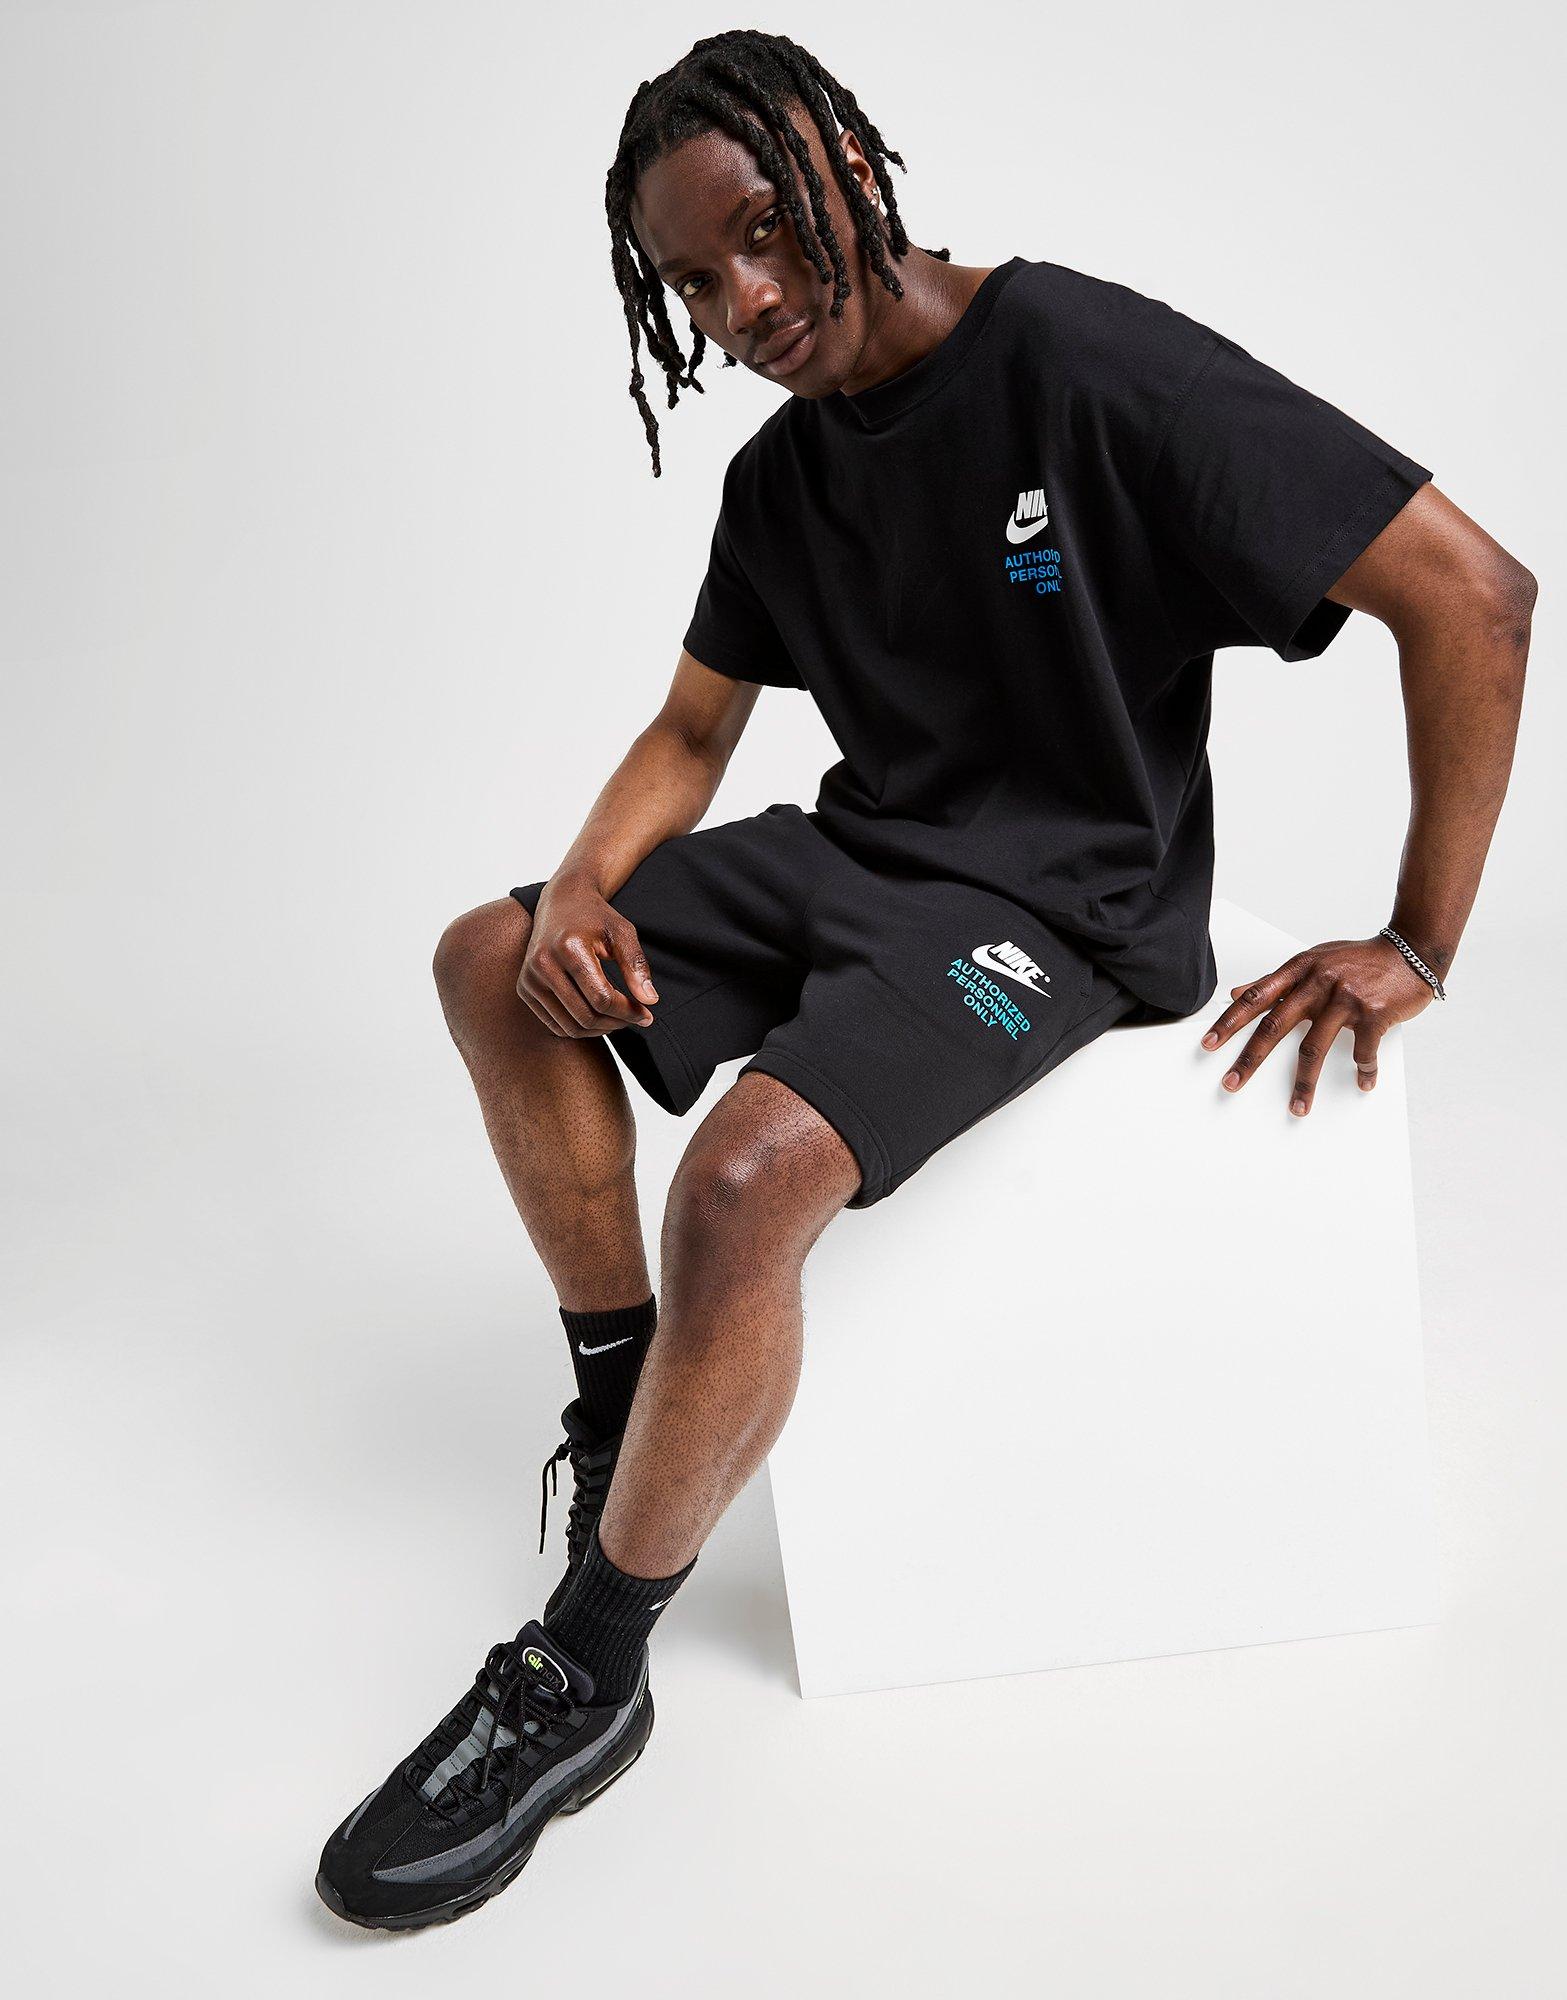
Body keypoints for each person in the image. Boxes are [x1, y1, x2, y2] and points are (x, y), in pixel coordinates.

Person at [316, 29, 1534, 1929]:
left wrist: (1420, 944)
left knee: (742, 1183)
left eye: (765, 232)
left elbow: (1473, 589)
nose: (746, 304)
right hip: (870, 853)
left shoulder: (1086, 362)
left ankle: (589, 1667)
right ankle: (619, 1398)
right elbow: (692, 731)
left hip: (1066, 908)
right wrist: (578, 891)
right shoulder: (785, 479)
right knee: (492, 959)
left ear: (853, 163)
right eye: (694, 282)